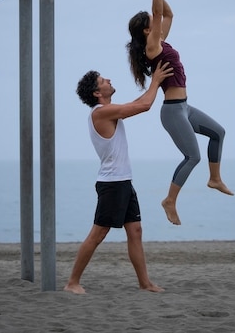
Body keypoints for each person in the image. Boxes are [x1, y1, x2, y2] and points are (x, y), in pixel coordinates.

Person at [126, 0, 234, 226]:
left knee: (218, 132)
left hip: (185, 107)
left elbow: (168, 14)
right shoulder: (153, 47)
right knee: (192, 156)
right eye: (153, 24)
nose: (158, 24)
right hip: (173, 111)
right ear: (146, 31)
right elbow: (159, 15)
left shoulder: (161, 40)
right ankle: (170, 200)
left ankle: (214, 178)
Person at [63, 60, 173, 294]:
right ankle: (72, 282)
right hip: (112, 184)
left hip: (123, 181)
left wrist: (152, 85)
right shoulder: (101, 113)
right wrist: (155, 81)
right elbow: (144, 106)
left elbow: (136, 103)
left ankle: (145, 283)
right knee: (98, 234)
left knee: (135, 231)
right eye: (103, 81)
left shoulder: (109, 112)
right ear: (96, 92)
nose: (109, 80)